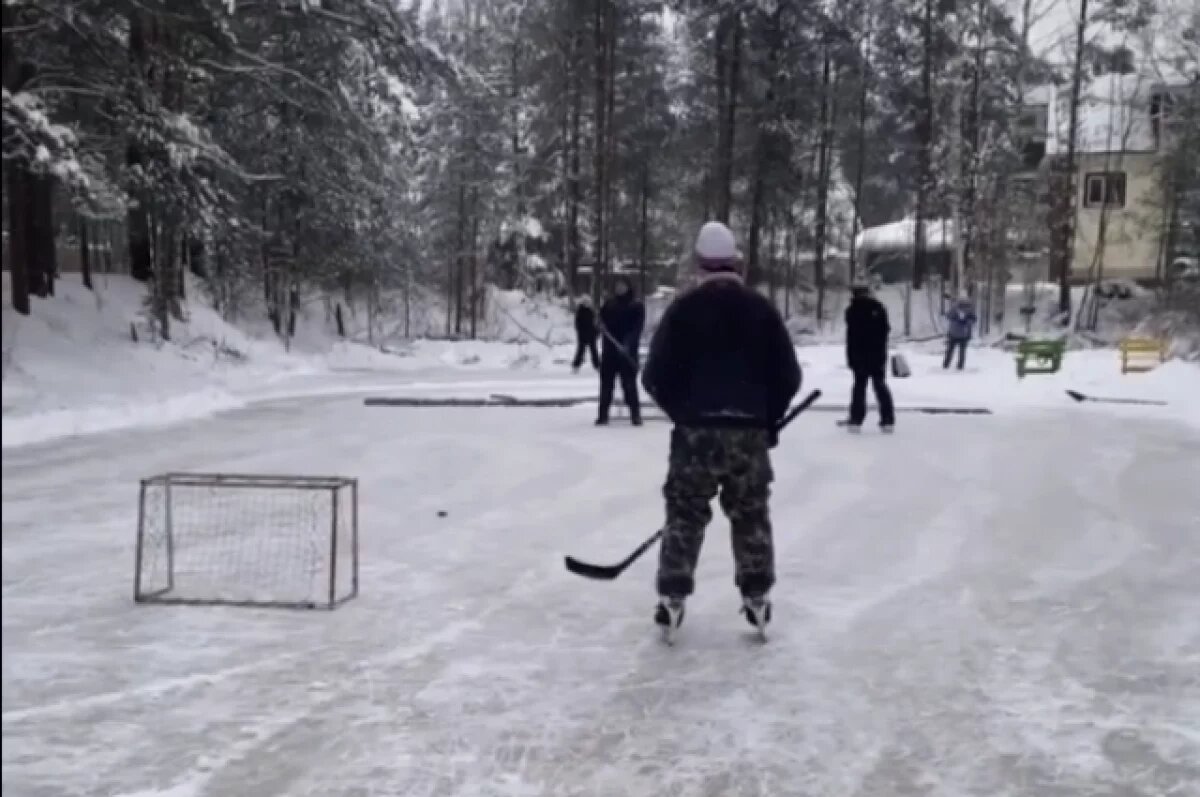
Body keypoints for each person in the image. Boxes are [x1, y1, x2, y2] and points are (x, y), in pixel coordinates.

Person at [641, 221, 802, 638]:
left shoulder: (683, 310)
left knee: (685, 511)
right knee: (750, 512)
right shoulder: (761, 310)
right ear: (736, 263)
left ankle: (672, 596)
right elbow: (788, 375)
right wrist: (768, 418)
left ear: (699, 263)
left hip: (696, 432)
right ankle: (757, 595)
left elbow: (653, 375)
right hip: (747, 433)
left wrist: (684, 413)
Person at [844, 280, 896, 433]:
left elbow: (852, 337)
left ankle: (856, 419)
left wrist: (851, 357)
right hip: (877, 353)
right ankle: (887, 419)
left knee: (860, 387)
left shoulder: (852, 310)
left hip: (859, 354)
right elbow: (885, 331)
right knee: (879, 385)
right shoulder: (878, 308)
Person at [596, 276, 645, 426]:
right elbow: (600, 323)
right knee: (606, 385)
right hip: (610, 351)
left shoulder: (636, 306)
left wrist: (628, 344)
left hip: (627, 352)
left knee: (629, 384)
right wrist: (598, 326)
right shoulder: (609, 305)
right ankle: (603, 415)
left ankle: (635, 415)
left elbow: (637, 329)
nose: (619, 288)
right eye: (617, 286)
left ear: (628, 287)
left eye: (622, 286)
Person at [943, 296, 977, 370]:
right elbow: (973, 320)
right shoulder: (968, 310)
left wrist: (962, 321)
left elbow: (948, 316)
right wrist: (966, 322)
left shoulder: (955, 308)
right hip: (961, 334)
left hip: (955, 333)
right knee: (960, 351)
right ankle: (958, 366)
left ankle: (946, 365)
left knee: (951, 350)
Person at [571, 296, 599, 373]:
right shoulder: (580, 311)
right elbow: (577, 324)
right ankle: (576, 366)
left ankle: (597, 365)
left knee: (594, 351)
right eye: (585, 302)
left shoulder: (592, 311)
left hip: (592, 334)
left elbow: (596, 323)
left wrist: (597, 332)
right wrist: (580, 332)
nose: (587, 303)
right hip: (582, 335)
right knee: (580, 351)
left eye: (588, 302)